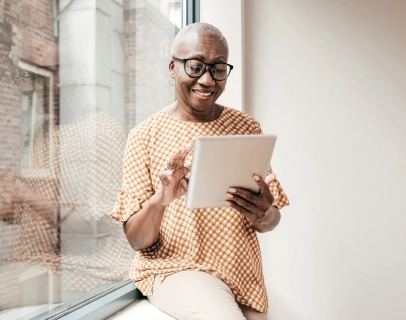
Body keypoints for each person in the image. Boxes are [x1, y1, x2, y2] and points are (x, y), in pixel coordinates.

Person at [110, 23, 289, 320]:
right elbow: (137, 240)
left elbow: (270, 222)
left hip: (242, 273)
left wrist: (263, 211)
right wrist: (161, 199)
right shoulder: (144, 135)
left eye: (218, 69)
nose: (207, 80)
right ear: (172, 68)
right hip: (176, 269)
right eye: (195, 67)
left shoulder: (246, 128)